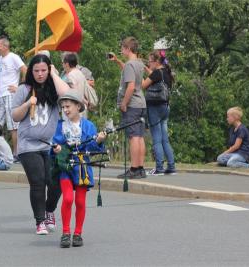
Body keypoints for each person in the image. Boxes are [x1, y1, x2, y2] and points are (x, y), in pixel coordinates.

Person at [12, 54, 69, 235]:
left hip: (49, 145)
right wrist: (29, 103)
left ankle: (49, 210)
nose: (40, 74)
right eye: (36, 70)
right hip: (28, 145)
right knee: (38, 182)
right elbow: (15, 116)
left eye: (44, 70)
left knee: (55, 182)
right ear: (31, 71)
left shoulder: (53, 87)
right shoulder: (25, 89)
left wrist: (54, 75)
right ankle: (40, 221)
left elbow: (67, 93)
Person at [52, 90, 106, 248]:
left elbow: (93, 147)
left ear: (78, 106)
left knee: (80, 201)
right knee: (68, 198)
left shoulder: (88, 126)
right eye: (63, 107)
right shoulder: (60, 126)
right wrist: (56, 149)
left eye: (68, 106)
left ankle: (78, 233)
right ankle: (65, 232)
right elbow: (55, 144)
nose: (65, 110)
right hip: (66, 167)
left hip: (82, 168)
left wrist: (100, 140)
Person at [109, 37, 146, 179]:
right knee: (140, 136)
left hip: (132, 105)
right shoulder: (139, 63)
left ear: (128, 49)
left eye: (123, 48)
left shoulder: (131, 64)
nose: (121, 50)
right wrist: (118, 61)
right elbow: (140, 82)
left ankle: (133, 168)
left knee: (133, 137)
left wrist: (124, 103)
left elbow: (131, 86)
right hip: (141, 103)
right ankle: (141, 167)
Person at [0, 36, 27, 162]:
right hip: (0, 95)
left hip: (11, 95)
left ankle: (17, 154)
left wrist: (20, 87)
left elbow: (24, 70)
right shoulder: (0, 58)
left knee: (13, 126)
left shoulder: (13, 57)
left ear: (5, 46)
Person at [142, 51, 176, 175]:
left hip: (155, 108)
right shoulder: (166, 73)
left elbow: (143, 85)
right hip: (165, 107)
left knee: (156, 138)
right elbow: (154, 76)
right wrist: (146, 68)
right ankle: (171, 166)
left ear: (156, 62)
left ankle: (159, 167)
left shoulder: (157, 73)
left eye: (150, 61)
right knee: (164, 139)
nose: (149, 63)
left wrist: (138, 73)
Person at [61, 53, 88, 118]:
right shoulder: (80, 73)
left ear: (67, 64)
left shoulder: (70, 75)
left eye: (63, 63)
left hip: (73, 108)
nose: (62, 65)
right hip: (82, 106)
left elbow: (74, 91)